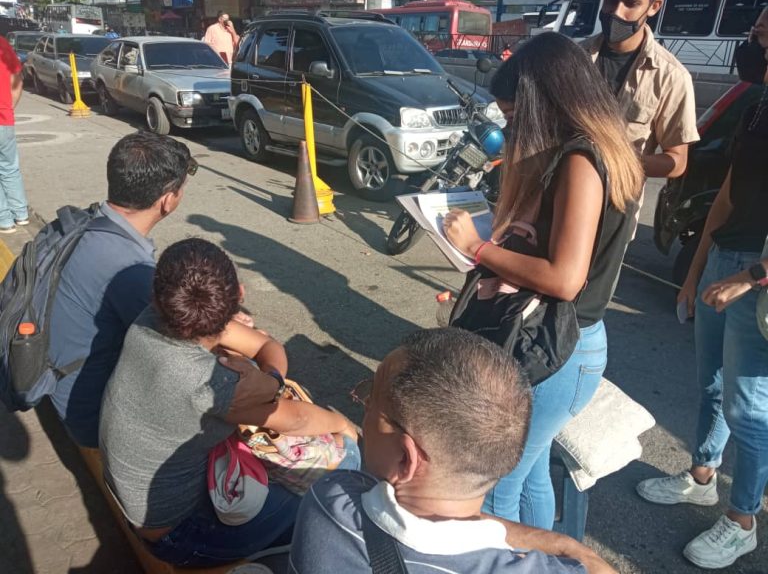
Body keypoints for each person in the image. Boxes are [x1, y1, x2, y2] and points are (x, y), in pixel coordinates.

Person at [442, 32, 644, 529]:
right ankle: (547, 559)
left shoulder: (580, 161)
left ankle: (510, 559)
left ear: (542, 103)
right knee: (531, 475)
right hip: (565, 339)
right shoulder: (599, 150)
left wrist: (477, 248)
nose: (511, 128)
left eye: (515, 117)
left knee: (497, 482)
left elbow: (565, 279)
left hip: (559, 345)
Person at [100, 238, 360, 567]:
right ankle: (294, 545)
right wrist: (344, 424)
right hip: (182, 535)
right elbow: (297, 419)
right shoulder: (210, 384)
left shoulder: (155, 318)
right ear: (239, 295)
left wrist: (270, 381)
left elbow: (266, 347)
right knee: (348, 457)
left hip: (141, 502)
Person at [289, 328, 616, 573]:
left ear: (405, 458)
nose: (363, 411)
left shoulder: (331, 501)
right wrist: (567, 546)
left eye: (369, 400)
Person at [635, 8, 768, 569]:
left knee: (750, 410)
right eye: (756, 31)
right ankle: (702, 477)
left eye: (765, 33)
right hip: (722, 261)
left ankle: (743, 521)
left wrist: (751, 277)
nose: (754, 41)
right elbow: (730, 194)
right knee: (710, 384)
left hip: (756, 279)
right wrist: (695, 272)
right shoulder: (758, 104)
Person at [48, 132, 193, 448]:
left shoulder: (82, 222)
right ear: (168, 200)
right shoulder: (129, 268)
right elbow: (188, 345)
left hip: (59, 383)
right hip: (89, 417)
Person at [582, 0, 699, 181]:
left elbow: (677, 162)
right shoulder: (572, 57)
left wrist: (613, 162)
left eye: (630, 3)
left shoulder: (671, 76)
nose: (617, 12)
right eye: (611, 1)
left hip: (619, 195)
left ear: (654, 7)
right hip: (554, 190)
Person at [0, 33, 28, 234]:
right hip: (5, 119)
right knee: (10, 167)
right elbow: (17, 81)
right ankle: (21, 214)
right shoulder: (2, 44)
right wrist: (9, 109)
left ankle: (4, 220)